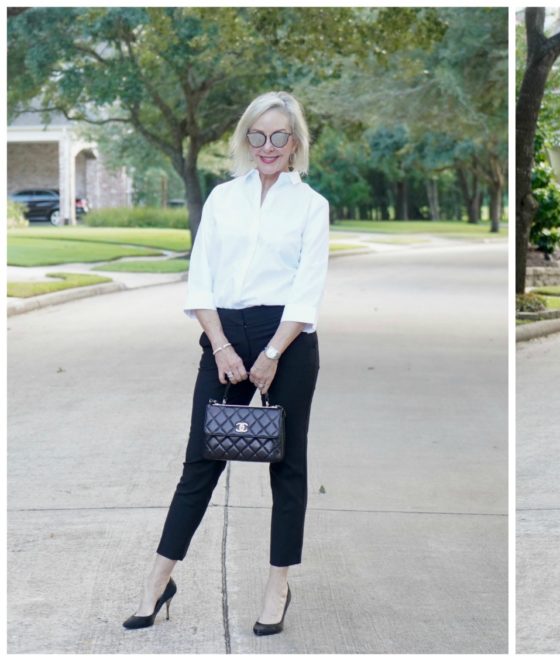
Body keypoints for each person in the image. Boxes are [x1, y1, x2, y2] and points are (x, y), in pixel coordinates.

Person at [123, 91, 329, 636]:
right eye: (257, 136)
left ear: (295, 142)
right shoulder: (221, 199)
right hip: (223, 338)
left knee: (287, 470)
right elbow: (201, 280)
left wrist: (269, 356)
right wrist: (220, 345)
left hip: (286, 341)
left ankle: (277, 587)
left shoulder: (311, 206)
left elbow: (307, 293)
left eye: (279, 136)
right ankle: (157, 581)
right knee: (200, 464)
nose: (267, 147)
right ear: (245, 139)